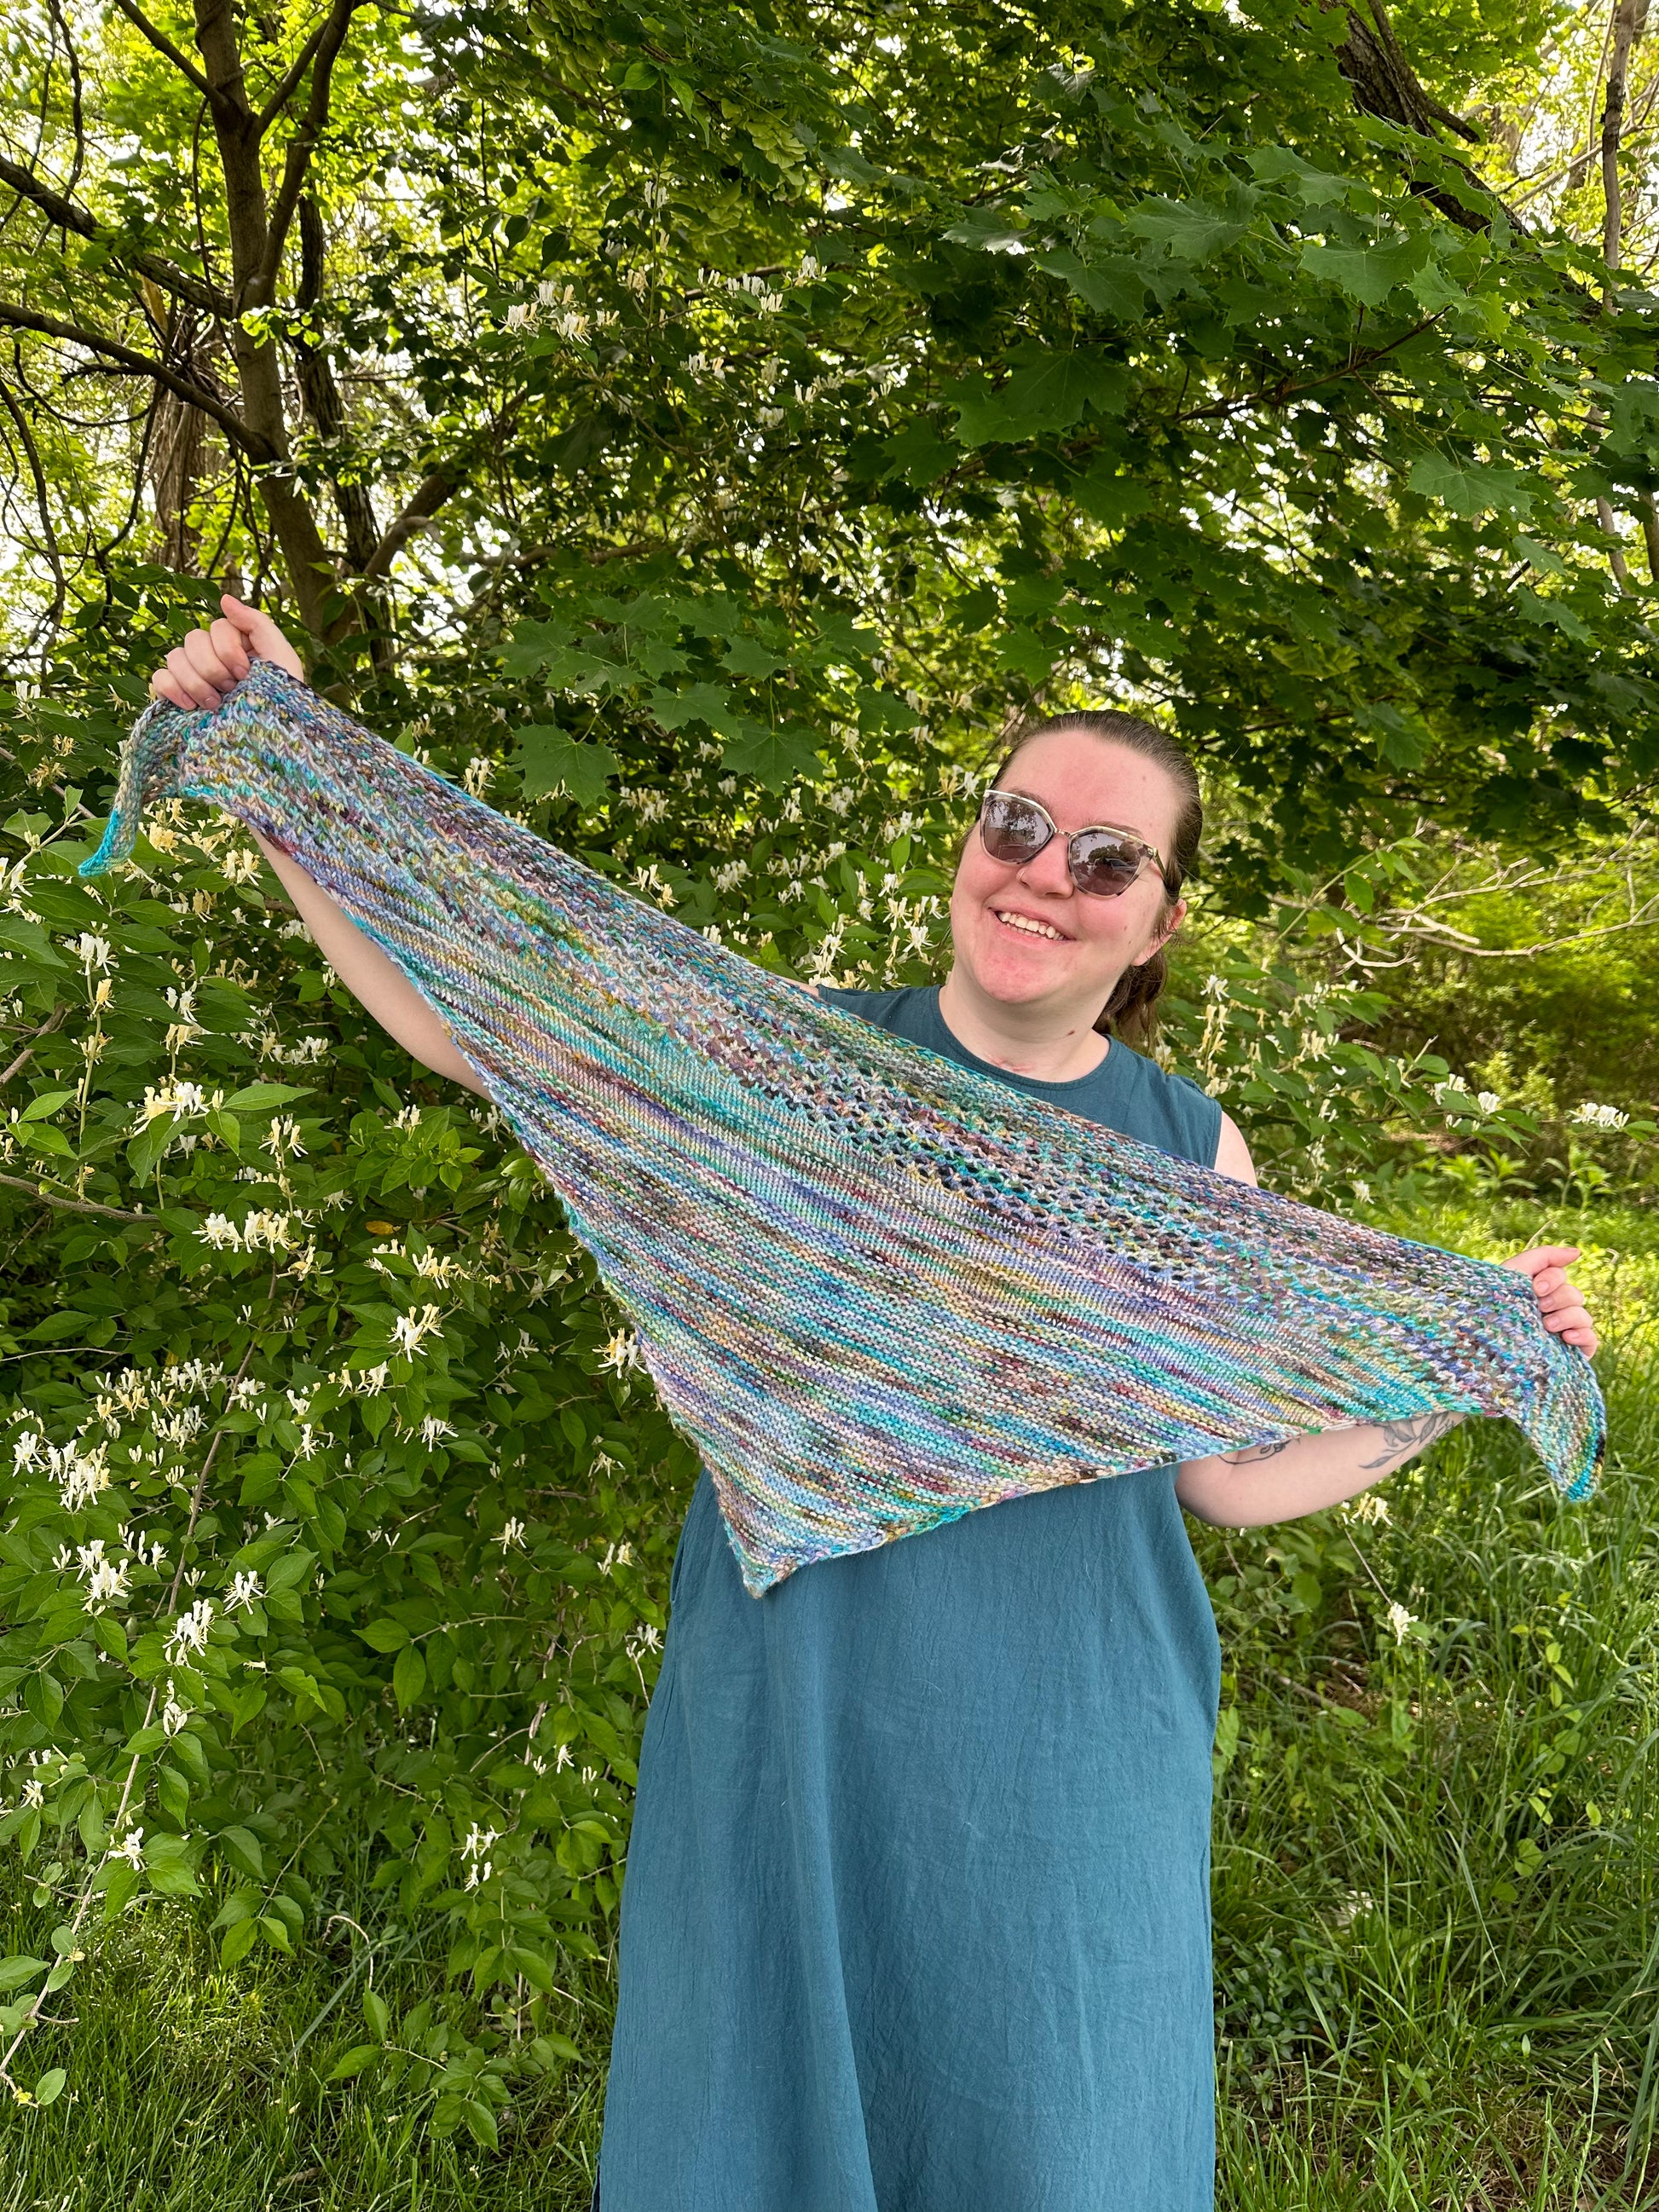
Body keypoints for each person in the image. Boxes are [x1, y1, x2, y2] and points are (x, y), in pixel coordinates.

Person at [151, 598, 1598, 2212]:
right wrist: (278, 780)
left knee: (1059, 2135)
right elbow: (475, 1028)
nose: (1046, 873)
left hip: (1069, 1742)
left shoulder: (1190, 1155)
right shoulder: (801, 1076)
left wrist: (1461, 1376)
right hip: (798, 1703)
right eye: (1018, 823)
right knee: (753, 2128)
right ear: (972, 841)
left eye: (1106, 858)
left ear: (1157, 923)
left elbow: (1226, 1483)